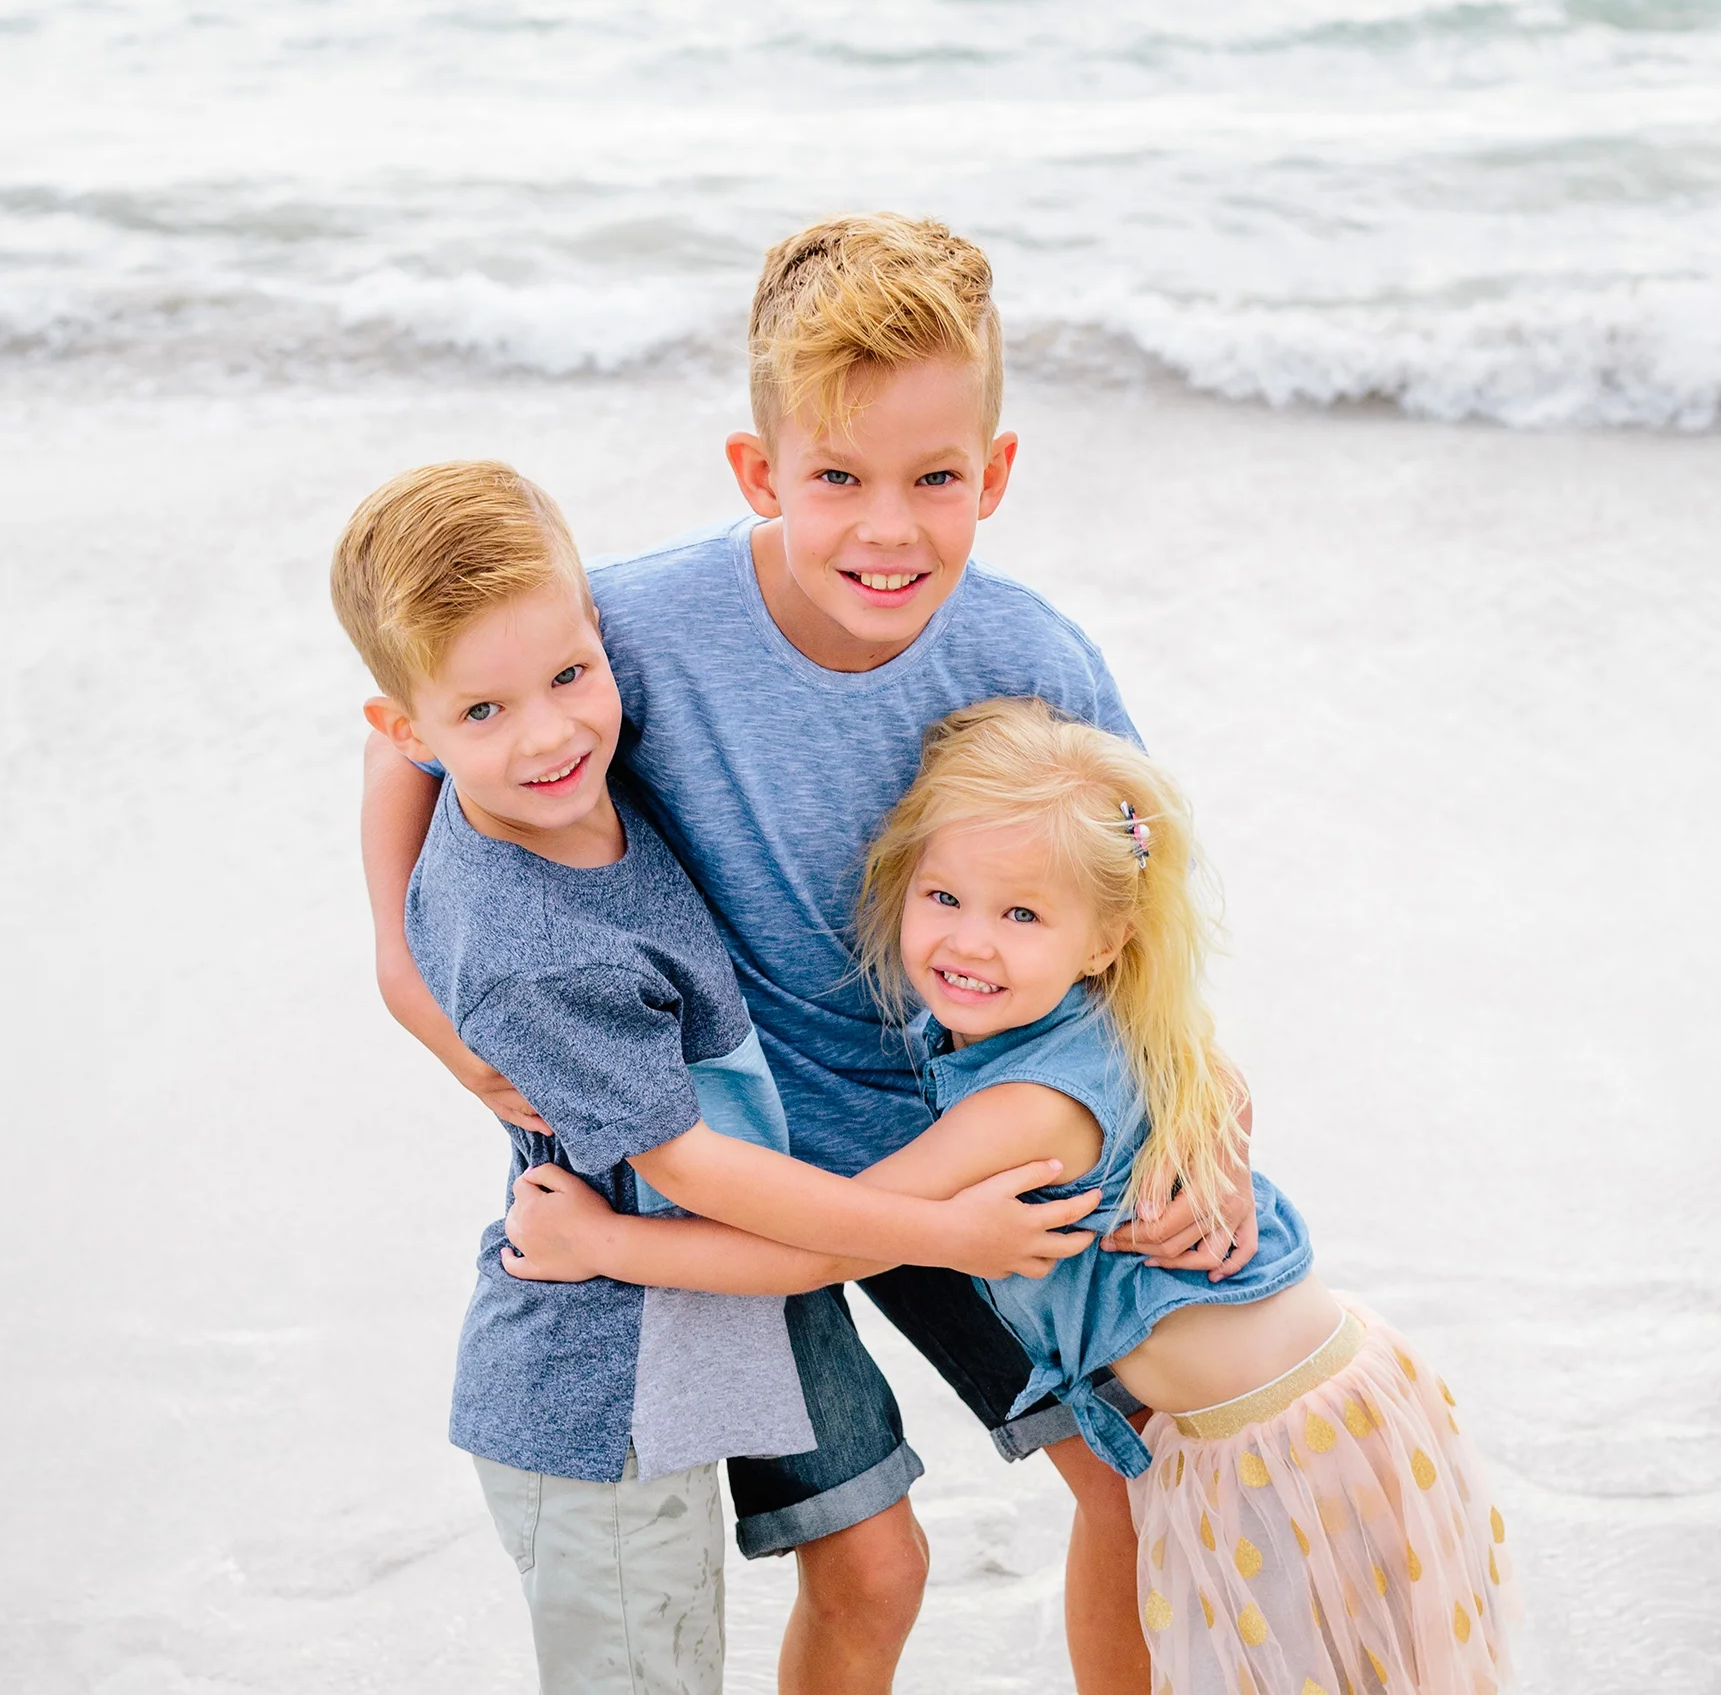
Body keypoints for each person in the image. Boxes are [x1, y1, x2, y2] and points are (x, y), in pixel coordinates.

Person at [361, 214, 1255, 1694]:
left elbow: (1135, 923)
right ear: (760, 473)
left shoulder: (1035, 663)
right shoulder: (633, 632)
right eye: (836, 478)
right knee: (869, 1558)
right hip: (752, 1170)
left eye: (934, 480)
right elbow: (417, 729)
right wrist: (401, 969)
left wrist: (1209, 1117)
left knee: (1140, 1476)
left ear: (998, 474)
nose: (884, 529)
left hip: (967, 1156)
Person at [506, 698, 1518, 1695]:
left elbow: (821, 1250)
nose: (971, 942)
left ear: (1104, 941)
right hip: (1311, 1407)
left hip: (1282, 1441)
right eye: (943, 897)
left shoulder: (1028, 1102)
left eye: (1022, 914)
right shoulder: (1101, 1023)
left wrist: (600, 1243)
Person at [330, 464, 1101, 1695]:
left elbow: (415, 734)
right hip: (625, 1335)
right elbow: (689, 1170)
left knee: (802, 1592)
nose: (546, 732)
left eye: (572, 679)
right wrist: (943, 1230)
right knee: (667, 1649)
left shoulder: (572, 734)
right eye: (486, 714)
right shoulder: (534, 941)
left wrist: (389, 960)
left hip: (754, 1251)